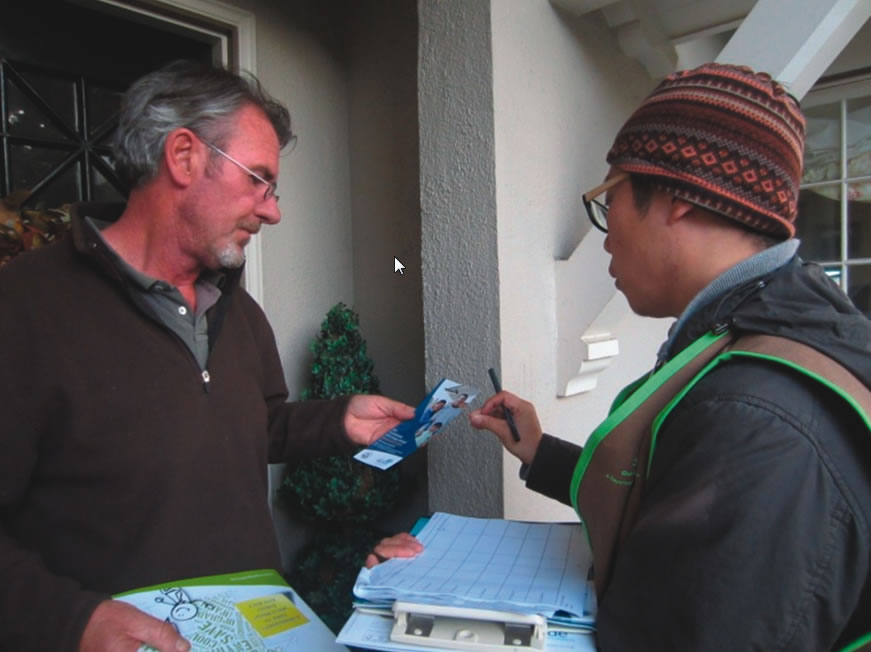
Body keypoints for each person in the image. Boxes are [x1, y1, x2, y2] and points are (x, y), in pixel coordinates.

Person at [0, 60, 415, 651]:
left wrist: (336, 421)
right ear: (184, 156)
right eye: (259, 180)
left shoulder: (238, 313)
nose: (273, 210)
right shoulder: (24, 309)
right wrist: (70, 620)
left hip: (254, 629)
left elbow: (254, 424)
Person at [467, 63, 871, 650]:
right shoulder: (764, 330)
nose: (606, 234)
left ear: (678, 198)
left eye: (611, 199)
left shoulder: (760, 418)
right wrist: (542, 453)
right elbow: (674, 496)